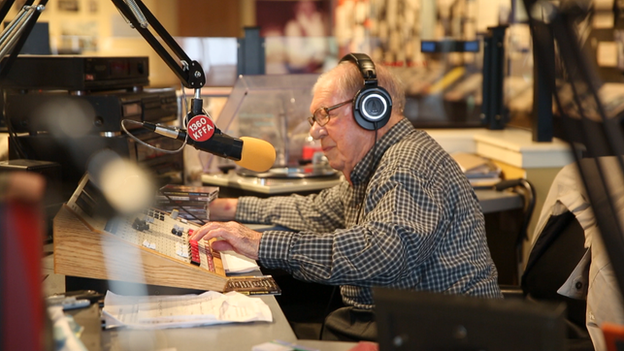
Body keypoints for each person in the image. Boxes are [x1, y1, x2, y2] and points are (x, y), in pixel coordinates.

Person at [191, 53, 502, 341]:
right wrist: (225, 208)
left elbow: (382, 253)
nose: (315, 132)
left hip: (443, 335)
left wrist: (259, 243)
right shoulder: (375, 166)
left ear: (371, 108)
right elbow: (314, 210)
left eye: (324, 115)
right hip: (409, 327)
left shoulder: (407, 163)